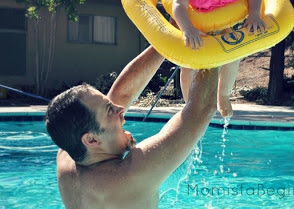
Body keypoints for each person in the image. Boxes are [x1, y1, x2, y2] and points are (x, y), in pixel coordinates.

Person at [45, 46, 219, 209]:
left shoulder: (67, 153)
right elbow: (201, 109)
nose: (120, 109)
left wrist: (165, 41)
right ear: (91, 139)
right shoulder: (131, 174)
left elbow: (122, 94)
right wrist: (211, 39)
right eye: (110, 110)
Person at [172, 0, 266, 118]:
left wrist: (254, 14)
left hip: (223, 26)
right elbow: (178, 4)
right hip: (198, 28)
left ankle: (223, 94)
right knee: (188, 64)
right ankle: (189, 103)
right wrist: (187, 29)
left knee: (234, 55)